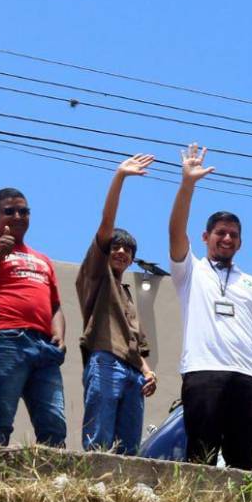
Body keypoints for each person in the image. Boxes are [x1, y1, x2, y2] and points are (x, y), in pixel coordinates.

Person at [168, 143, 252, 470]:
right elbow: (175, 230)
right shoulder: (190, 271)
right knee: (201, 457)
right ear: (205, 237)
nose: (227, 239)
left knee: (242, 462)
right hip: (203, 373)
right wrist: (188, 184)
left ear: (240, 242)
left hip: (249, 378)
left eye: (233, 235)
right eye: (220, 233)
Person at [0, 187, 67, 447]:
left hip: (45, 346)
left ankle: (51, 472)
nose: (18, 216)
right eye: (9, 211)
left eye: (24, 211)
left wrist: (59, 334)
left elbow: (55, 305)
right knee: (0, 419)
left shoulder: (43, 259)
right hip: (6, 341)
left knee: (54, 424)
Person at [76, 154, 159, 454]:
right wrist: (120, 177)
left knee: (129, 448)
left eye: (128, 249)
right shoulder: (97, 275)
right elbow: (106, 225)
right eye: (116, 246)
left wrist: (148, 372)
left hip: (133, 371)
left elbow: (135, 346)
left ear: (133, 259)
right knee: (99, 440)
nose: (121, 251)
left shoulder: (127, 295)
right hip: (106, 361)